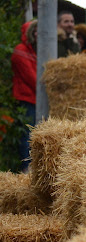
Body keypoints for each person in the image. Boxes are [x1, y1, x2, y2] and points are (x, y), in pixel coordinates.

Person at [11, 20, 37, 172]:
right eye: (35, 31)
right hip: (26, 99)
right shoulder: (21, 50)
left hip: (35, 100)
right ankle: (26, 168)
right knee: (26, 137)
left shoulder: (35, 51)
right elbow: (32, 78)